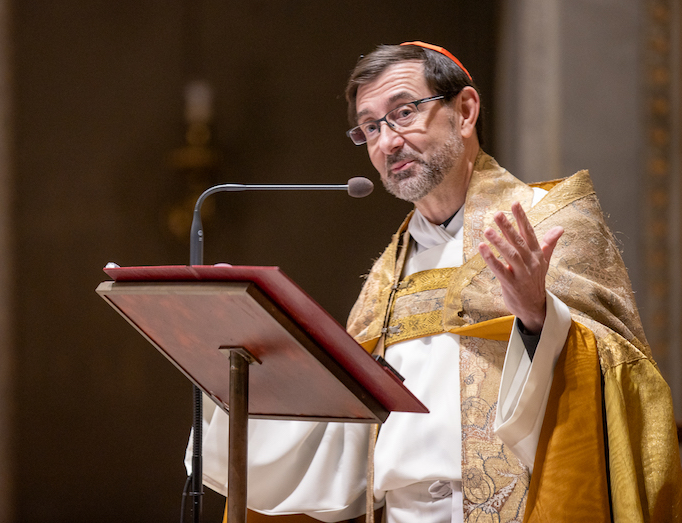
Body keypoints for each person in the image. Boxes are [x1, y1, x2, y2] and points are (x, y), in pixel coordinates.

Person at [187, 41, 682, 523]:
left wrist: (538, 319)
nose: (387, 141)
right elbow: (345, 434)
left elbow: (622, 388)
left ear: (465, 111)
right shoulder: (389, 277)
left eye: (404, 113)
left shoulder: (547, 224)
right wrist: (253, 348)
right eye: (369, 128)